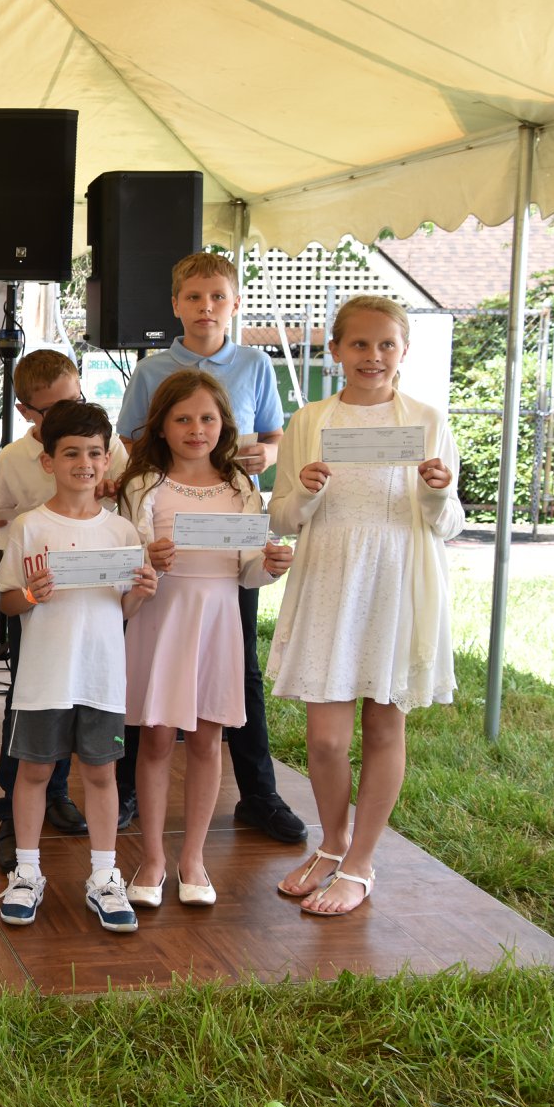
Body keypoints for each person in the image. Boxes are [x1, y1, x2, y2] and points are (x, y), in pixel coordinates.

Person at [267, 296, 462, 916]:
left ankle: (360, 863)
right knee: (325, 739)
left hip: (396, 582)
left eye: (385, 345)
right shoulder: (310, 420)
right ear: (335, 350)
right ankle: (331, 843)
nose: (372, 356)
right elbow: (282, 518)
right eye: (359, 344)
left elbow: (449, 523)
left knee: (383, 725)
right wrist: (304, 492)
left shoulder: (427, 419)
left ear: (404, 351)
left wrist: (438, 494)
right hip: (330, 579)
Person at [115, 252, 303, 846]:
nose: (206, 307)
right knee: (151, 686)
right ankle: (128, 793)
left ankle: (259, 793)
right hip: (167, 563)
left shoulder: (255, 363)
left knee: (237, 675)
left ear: (235, 302)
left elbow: (273, 436)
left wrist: (266, 456)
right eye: (194, 297)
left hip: (227, 551)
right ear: (176, 304)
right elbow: (130, 441)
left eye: (218, 296)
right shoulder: (152, 369)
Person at [115, 372, 292, 909]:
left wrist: (271, 566)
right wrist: (148, 557)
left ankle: (193, 857)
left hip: (218, 620)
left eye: (207, 418)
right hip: (161, 618)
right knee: (155, 739)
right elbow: (126, 559)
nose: (196, 429)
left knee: (208, 738)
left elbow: (247, 569)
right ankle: (152, 858)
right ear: (161, 426)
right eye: (183, 419)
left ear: (225, 424)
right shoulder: (144, 484)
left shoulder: (241, 486)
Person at [0, 402, 157, 932]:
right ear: (48, 462)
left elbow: (124, 610)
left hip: (101, 676)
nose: (84, 463)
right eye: (71, 453)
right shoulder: (29, 526)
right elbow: (6, 600)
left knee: (102, 774)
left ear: (107, 459)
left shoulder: (122, 532)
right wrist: (30, 594)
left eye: (93, 453)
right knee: (34, 771)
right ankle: (26, 871)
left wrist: (141, 593)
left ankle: (105, 876)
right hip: (44, 678)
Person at [0, 349, 130, 871]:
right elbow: (5, 530)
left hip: (98, 635)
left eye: (74, 399)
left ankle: (69, 812)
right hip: (43, 615)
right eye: (51, 410)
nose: (84, 463)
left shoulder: (111, 471)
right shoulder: (13, 462)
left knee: (96, 750)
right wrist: (17, 556)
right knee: (33, 723)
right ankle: (18, 825)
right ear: (27, 413)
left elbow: (128, 529)